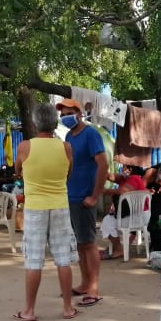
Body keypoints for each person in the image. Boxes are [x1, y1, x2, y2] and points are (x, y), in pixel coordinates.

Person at [11, 102, 78, 321]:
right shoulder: (66, 147)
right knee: (63, 259)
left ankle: (29, 310)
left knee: (34, 260)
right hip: (60, 205)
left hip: (34, 208)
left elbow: (18, 170)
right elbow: (68, 174)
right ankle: (68, 308)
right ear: (55, 122)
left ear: (34, 122)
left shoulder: (24, 147)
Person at [59, 98, 107, 306]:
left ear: (78, 113)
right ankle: (85, 283)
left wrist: (95, 196)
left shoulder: (91, 134)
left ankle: (94, 289)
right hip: (71, 197)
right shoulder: (69, 135)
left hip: (86, 198)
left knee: (88, 243)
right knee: (79, 243)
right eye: (61, 114)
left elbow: (103, 165)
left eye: (67, 112)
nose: (64, 117)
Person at [100, 164, 148, 259]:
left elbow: (122, 191)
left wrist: (105, 191)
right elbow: (111, 176)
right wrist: (99, 173)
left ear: (129, 169)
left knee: (107, 221)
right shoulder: (126, 179)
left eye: (124, 167)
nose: (122, 169)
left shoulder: (134, 178)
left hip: (137, 217)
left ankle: (118, 249)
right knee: (109, 219)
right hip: (137, 216)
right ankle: (114, 248)